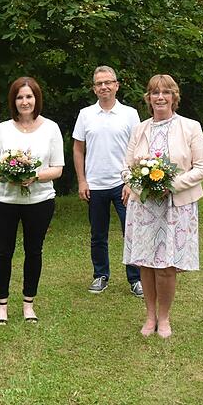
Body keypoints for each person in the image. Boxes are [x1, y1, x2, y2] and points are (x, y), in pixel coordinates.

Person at [122, 74, 203, 339]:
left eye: (165, 93)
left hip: (176, 206)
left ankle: (165, 317)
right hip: (144, 206)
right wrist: (143, 186)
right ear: (148, 98)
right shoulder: (140, 129)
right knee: (146, 263)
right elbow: (126, 169)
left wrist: (170, 186)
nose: (160, 97)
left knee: (167, 265)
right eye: (154, 93)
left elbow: (201, 168)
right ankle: (149, 316)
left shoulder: (190, 127)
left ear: (174, 97)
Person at [0, 77, 64, 325]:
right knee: (3, 252)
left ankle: (29, 304)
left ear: (36, 99)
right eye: (20, 97)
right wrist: (9, 175)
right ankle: (2, 306)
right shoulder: (3, 129)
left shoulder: (51, 128)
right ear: (13, 101)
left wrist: (34, 176)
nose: (25, 101)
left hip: (40, 200)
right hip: (3, 199)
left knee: (34, 251)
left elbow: (58, 168)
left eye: (29, 96)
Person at [72, 65, 143, 297]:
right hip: (95, 185)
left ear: (116, 85)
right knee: (98, 234)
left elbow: (138, 150)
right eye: (99, 83)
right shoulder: (85, 114)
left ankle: (136, 278)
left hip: (123, 184)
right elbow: (78, 149)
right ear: (94, 89)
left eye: (108, 82)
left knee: (130, 232)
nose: (104, 86)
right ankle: (100, 275)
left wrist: (131, 182)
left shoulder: (130, 114)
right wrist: (82, 181)